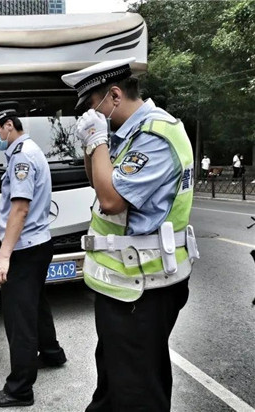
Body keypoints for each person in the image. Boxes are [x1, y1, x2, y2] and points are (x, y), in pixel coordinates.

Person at [62, 57, 199, 411]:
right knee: (116, 378)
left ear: (115, 95)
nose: (91, 114)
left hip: (144, 286)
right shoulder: (127, 136)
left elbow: (110, 201)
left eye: (93, 104)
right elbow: (99, 184)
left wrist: (98, 140)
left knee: (138, 391)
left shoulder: (154, 135)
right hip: (125, 286)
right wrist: (92, 145)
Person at [0, 102, 67, 407]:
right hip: (37, 244)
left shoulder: (22, 156)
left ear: (8, 126)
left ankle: (20, 389)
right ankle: (52, 353)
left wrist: (3, 256)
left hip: (25, 248)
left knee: (19, 319)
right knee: (36, 304)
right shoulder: (26, 151)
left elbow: (20, 208)